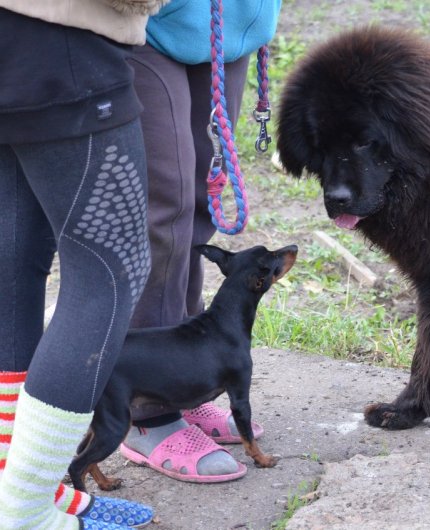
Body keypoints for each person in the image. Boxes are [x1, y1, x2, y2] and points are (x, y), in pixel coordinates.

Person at [0, 1, 166, 528]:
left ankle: (14, 481)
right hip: (58, 42)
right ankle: (24, 511)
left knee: (12, 261)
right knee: (110, 275)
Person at [121, 0, 282, 483]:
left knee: (198, 207)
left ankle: (182, 380)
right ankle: (145, 410)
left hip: (231, 22)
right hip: (143, 17)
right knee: (164, 207)